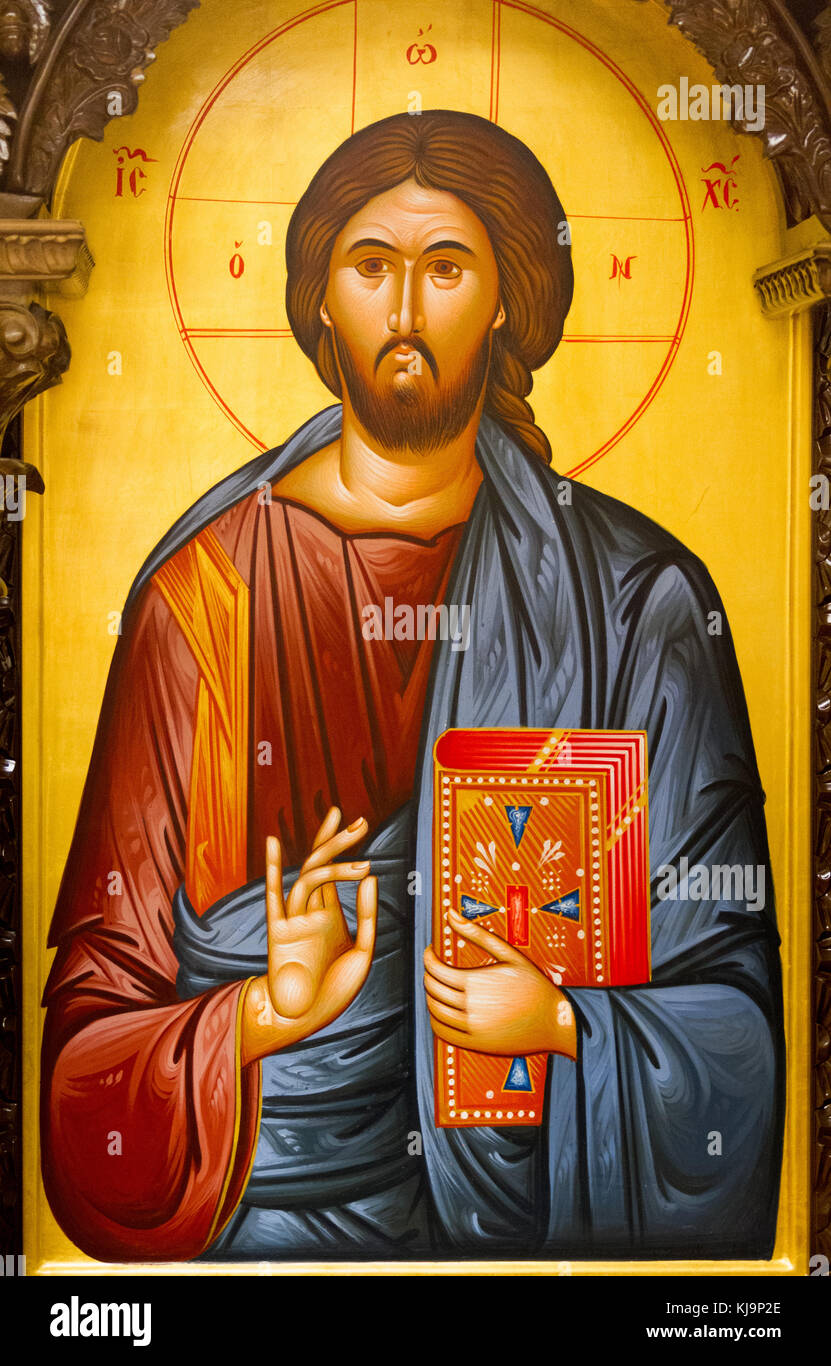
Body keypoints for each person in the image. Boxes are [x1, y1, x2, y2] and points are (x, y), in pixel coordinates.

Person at [41, 109, 785, 1263]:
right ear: (318, 299)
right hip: (263, 1224)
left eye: (445, 268)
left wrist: (566, 1025)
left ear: (505, 299)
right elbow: (93, 1040)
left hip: (538, 1235)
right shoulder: (201, 599)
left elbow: (733, 1019)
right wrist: (255, 1017)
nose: (401, 313)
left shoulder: (643, 602)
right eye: (369, 265)